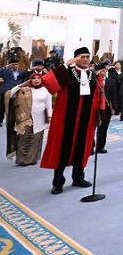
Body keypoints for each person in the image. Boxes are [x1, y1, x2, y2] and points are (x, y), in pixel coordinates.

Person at [40, 47, 105, 194]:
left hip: (86, 119)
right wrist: (66, 65)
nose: (85, 59)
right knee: (62, 148)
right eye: (82, 57)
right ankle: (58, 182)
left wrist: (100, 112)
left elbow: (99, 94)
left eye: (87, 57)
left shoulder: (94, 76)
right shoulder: (67, 73)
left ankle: (78, 177)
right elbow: (48, 82)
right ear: (76, 58)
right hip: (66, 118)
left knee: (82, 147)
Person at [5, 72, 52, 165]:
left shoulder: (46, 90)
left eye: (38, 78)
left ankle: (31, 160)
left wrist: (49, 116)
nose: (36, 80)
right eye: (34, 78)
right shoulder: (25, 89)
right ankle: (21, 160)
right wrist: (21, 85)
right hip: (26, 118)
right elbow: (11, 93)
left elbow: (48, 105)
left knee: (36, 139)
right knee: (24, 138)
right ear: (30, 80)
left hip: (40, 118)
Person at [93, 64, 113, 154]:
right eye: (101, 71)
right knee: (92, 129)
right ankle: (90, 147)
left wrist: (114, 107)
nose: (103, 72)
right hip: (95, 107)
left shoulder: (111, 81)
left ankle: (100, 146)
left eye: (104, 71)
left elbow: (114, 95)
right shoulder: (93, 81)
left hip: (106, 107)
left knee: (103, 128)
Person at [0, 57, 23, 128]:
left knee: (17, 107)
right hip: (6, 91)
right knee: (2, 107)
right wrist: (4, 67)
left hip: (18, 91)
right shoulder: (5, 71)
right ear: (10, 65)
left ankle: (18, 120)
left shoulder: (21, 72)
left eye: (17, 64)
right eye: (14, 64)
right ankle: (0, 120)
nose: (16, 66)